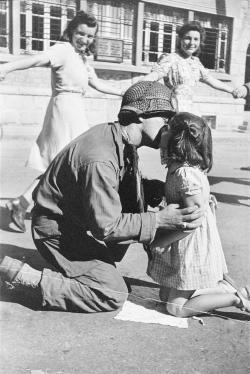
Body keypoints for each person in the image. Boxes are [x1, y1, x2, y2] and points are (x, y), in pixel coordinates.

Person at [0, 81, 205, 314]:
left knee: (132, 200)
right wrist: (158, 220)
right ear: (139, 115)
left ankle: (93, 269)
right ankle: (22, 277)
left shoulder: (118, 137)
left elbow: (123, 184)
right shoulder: (100, 158)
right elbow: (106, 227)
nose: (170, 127)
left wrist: (176, 192)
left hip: (75, 222)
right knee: (112, 293)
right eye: (165, 119)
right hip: (57, 232)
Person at [0, 11, 123, 233]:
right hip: (63, 110)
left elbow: (97, 83)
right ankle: (27, 204)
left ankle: (24, 202)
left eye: (90, 36)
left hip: (76, 111)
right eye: (80, 34)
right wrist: (6, 68)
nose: (85, 39)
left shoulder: (82, 57)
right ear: (71, 31)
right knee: (64, 163)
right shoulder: (63, 50)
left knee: (66, 164)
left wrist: (125, 92)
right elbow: (36, 60)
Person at [147, 112, 250, 317]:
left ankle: (235, 298)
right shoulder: (180, 168)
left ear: (177, 139)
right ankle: (223, 287)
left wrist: (160, 241)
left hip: (190, 244)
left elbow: (193, 221)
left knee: (174, 308)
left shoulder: (185, 174)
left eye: (166, 128)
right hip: (185, 238)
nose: (162, 131)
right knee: (164, 295)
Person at [141, 21, 235, 112]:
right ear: (180, 39)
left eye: (196, 39)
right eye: (187, 38)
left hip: (191, 110)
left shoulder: (196, 63)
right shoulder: (170, 59)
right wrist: (139, 86)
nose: (192, 43)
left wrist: (233, 90)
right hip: (173, 110)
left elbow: (211, 80)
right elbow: (155, 75)